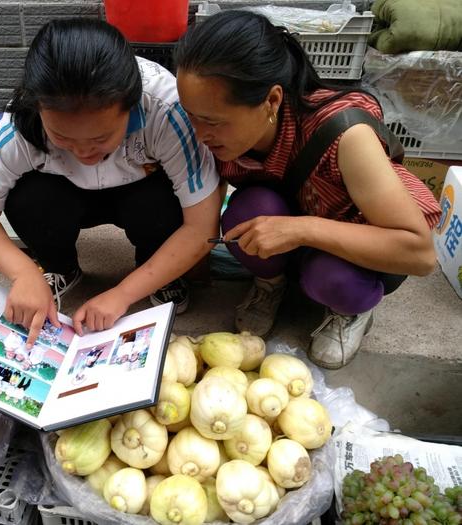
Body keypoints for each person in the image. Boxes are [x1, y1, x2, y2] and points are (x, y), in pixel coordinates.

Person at [174, 10, 441, 369]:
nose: (198, 132)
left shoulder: (345, 135)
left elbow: (420, 254)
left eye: (212, 121)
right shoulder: (221, 139)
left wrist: (301, 229)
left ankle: (350, 311)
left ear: (271, 101)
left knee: (332, 278)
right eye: (190, 114)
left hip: (364, 245)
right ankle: (272, 284)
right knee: (243, 214)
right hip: (297, 225)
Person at [0, 18, 221, 346]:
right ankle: (60, 266)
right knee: (26, 197)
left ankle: (155, 272)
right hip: (62, 193)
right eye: (62, 137)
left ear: (132, 105)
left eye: (101, 137)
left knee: (163, 204)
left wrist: (123, 294)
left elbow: (201, 227)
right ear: (37, 107)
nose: (83, 152)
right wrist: (23, 273)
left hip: (143, 191)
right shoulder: (20, 125)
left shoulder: (165, 110)